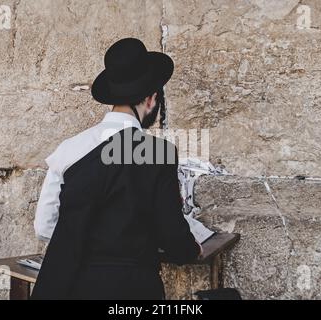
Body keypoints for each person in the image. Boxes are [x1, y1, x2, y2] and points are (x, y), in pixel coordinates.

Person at [30, 38, 202, 300]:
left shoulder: (69, 148)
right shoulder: (159, 153)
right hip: (133, 288)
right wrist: (192, 250)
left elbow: (44, 226)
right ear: (151, 99)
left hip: (71, 285)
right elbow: (172, 236)